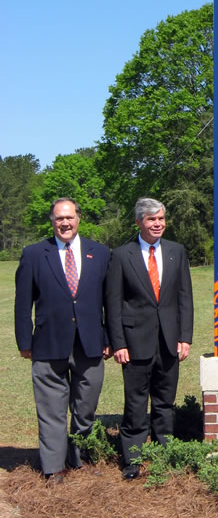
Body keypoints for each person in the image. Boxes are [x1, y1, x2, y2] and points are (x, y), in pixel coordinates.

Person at [14, 198, 111, 484]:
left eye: (69, 217)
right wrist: (24, 341)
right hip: (48, 344)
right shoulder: (33, 254)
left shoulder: (101, 253)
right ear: (52, 221)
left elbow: (110, 301)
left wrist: (111, 339)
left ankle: (78, 457)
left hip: (90, 343)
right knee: (51, 410)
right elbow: (23, 304)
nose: (64, 223)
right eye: (59, 219)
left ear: (79, 218)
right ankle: (54, 467)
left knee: (85, 408)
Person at [105, 197, 193, 480]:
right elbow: (113, 302)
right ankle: (133, 460)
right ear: (139, 222)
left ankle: (164, 453)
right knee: (135, 403)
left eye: (161, 219)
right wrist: (118, 342)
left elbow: (184, 298)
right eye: (152, 219)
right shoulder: (121, 256)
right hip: (134, 343)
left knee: (165, 402)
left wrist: (185, 337)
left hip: (169, 341)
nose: (158, 224)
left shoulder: (176, 252)